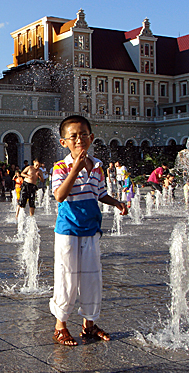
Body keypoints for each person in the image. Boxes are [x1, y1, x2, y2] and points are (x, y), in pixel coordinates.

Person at [50, 115, 127, 346]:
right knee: (67, 277)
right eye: (73, 136)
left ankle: (89, 325)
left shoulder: (98, 167)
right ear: (64, 142)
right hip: (68, 230)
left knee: (92, 278)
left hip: (92, 229)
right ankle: (60, 325)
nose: (79, 139)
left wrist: (116, 203)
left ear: (91, 137)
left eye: (83, 134)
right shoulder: (61, 167)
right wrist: (75, 168)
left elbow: (100, 194)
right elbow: (59, 195)